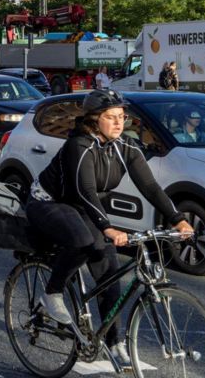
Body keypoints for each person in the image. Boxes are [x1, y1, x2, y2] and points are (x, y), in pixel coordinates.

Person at [25, 89, 194, 368]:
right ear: (94, 120)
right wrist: (108, 228)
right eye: (111, 117)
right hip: (49, 203)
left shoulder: (124, 147)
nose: (119, 123)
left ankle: (114, 343)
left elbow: (150, 187)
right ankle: (52, 293)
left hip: (84, 207)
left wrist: (177, 218)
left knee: (109, 271)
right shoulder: (79, 145)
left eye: (121, 116)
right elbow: (85, 191)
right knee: (81, 240)